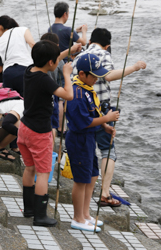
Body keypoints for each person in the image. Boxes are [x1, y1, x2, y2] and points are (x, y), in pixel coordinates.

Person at [80, 28, 146, 207]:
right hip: (101, 111)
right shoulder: (104, 54)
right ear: (107, 45)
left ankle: (84, 191)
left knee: (87, 150)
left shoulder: (81, 55)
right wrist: (134, 67)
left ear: (91, 40)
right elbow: (109, 77)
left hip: (81, 110)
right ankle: (105, 193)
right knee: (108, 150)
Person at [19, 41, 73, 227]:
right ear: (50, 63)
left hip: (24, 128)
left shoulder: (29, 71)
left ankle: (29, 209)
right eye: (56, 62)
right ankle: (40, 217)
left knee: (29, 168)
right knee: (43, 173)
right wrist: (66, 74)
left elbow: (52, 58)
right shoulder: (45, 80)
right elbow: (68, 95)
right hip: (39, 133)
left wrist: (69, 51)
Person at [65, 53, 119, 232]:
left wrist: (105, 126)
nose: (96, 78)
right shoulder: (77, 93)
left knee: (93, 175)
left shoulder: (87, 89)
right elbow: (83, 122)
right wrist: (107, 117)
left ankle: (86, 214)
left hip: (88, 139)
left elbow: (93, 114)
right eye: (93, 75)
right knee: (81, 180)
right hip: (78, 139)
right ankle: (77, 218)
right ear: (81, 74)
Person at [40, 32, 81, 138]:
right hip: (52, 96)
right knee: (52, 126)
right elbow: (69, 94)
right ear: (57, 46)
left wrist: (71, 49)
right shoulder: (56, 62)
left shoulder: (35, 66)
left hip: (40, 102)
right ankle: (60, 129)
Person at [0, 15, 35, 97]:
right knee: (24, 103)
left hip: (8, 74)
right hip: (25, 71)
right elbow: (32, 44)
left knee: (9, 103)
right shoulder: (23, 29)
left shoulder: (0, 41)